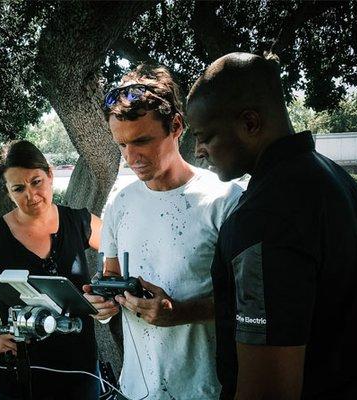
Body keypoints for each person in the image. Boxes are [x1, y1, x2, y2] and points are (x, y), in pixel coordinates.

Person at [186, 52, 357, 399]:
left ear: (250, 123)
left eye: (204, 136)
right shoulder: (333, 179)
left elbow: (268, 390)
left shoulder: (263, 217)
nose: (198, 151)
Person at [83, 65, 243, 400]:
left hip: (206, 390)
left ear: (176, 126)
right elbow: (110, 277)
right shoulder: (119, 203)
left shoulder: (224, 201)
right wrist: (101, 303)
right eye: (122, 145)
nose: (131, 157)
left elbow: (252, 301)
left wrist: (181, 312)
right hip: (136, 389)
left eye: (142, 141)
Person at [0, 140, 102, 400]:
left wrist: (110, 287)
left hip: (81, 372)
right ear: (8, 192)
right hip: (21, 379)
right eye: (18, 188)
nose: (31, 195)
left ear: (50, 175)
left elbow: (127, 248)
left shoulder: (79, 222)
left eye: (36, 182)